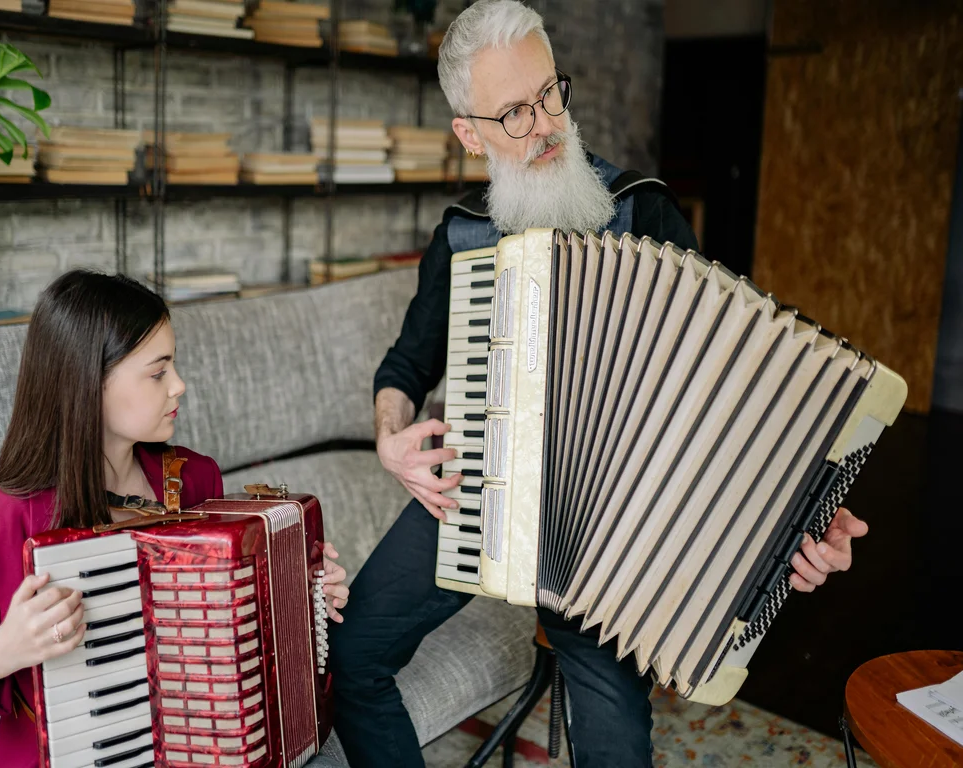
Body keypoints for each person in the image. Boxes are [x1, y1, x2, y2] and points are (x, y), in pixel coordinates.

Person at [328, 2, 871, 766]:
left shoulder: (641, 208)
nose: (546, 124)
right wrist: (391, 439)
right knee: (351, 659)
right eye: (514, 114)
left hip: (606, 530)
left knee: (617, 752)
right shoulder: (461, 237)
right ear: (470, 134)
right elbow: (405, 368)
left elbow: (738, 381)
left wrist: (804, 513)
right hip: (477, 494)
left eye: (550, 94)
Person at [0, 270, 350, 768]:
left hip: (202, 742)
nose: (179, 385)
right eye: (158, 373)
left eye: (173, 365)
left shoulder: (195, 480)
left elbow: (232, 635)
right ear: (88, 383)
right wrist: (2, 648)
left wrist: (300, 594)